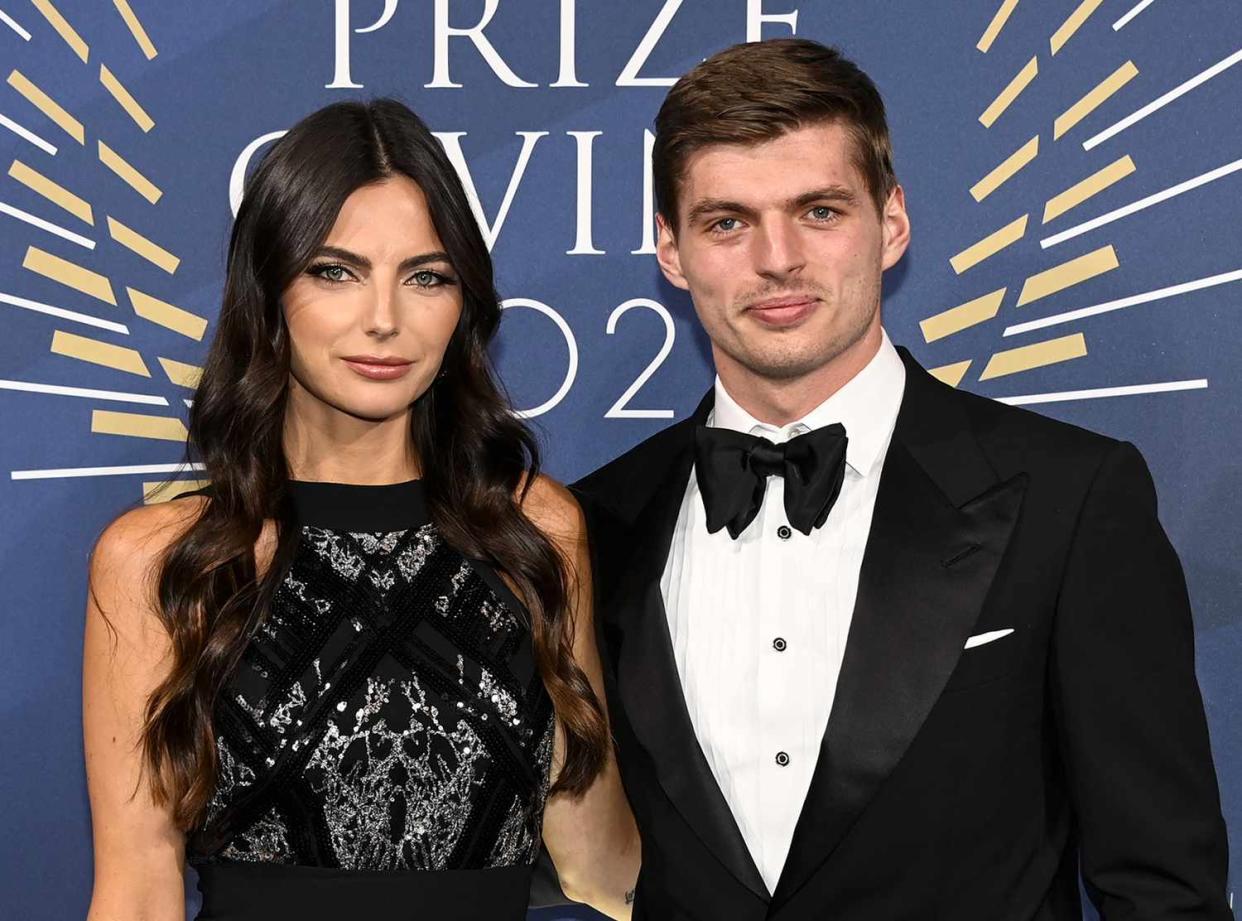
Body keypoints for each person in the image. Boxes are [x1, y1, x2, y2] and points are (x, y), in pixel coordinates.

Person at [572, 38, 1230, 921]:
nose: (776, 259)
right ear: (671, 249)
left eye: (819, 211)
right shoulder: (593, 524)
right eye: (727, 221)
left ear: (891, 223)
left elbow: (1162, 890)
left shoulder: (1070, 498)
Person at [82, 98, 639, 921]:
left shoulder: (535, 531)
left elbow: (599, 857)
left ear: (463, 304)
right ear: (269, 290)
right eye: (334, 271)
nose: (385, 319)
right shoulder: (168, 559)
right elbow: (137, 889)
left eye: (427, 276)